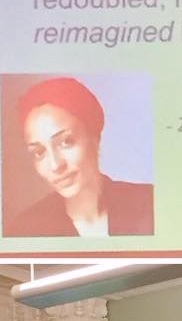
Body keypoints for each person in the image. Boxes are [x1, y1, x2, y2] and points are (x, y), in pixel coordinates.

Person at [6, 77, 154, 237]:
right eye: (39, 152)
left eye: (66, 142)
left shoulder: (150, 203)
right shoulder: (25, 229)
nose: (55, 165)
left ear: (94, 137)